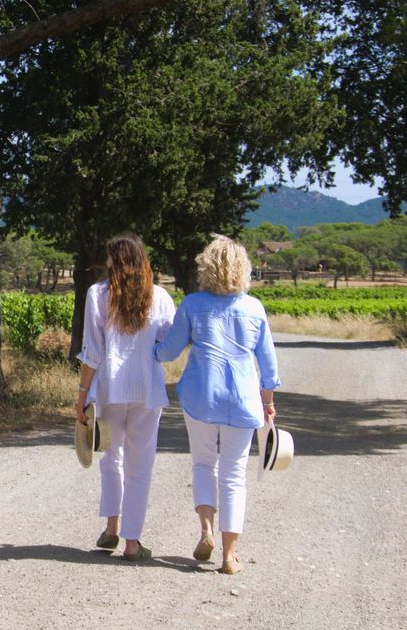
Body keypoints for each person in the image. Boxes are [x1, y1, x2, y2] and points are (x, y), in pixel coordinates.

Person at [154, 235, 279, 575]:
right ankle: (229, 555)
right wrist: (268, 400)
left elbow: (169, 351)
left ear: (206, 267)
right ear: (244, 269)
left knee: (203, 464)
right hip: (242, 399)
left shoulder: (193, 304)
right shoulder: (254, 308)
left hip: (200, 396)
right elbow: (268, 364)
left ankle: (206, 530)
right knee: (234, 474)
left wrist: (146, 349)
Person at [76, 232, 175, 562]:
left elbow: (92, 350)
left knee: (111, 457)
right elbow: (168, 345)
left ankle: (112, 527)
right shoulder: (159, 296)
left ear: (112, 261)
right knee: (140, 464)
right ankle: (133, 541)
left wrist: (81, 394)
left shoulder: (97, 294)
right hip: (147, 389)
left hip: (109, 388)